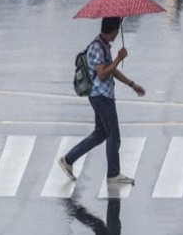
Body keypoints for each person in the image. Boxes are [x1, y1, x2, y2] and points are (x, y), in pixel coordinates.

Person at [58, 16, 144, 186]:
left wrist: (132, 84)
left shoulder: (103, 46)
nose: (117, 34)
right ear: (112, 30)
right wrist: (119, 58)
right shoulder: (97, 48)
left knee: (100, 134)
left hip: (102, 96)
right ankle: (113, 174)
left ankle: (68, 160)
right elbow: (103, 73)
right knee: (114, 136)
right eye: (117, 31)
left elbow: (110, 70)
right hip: (101, 97)